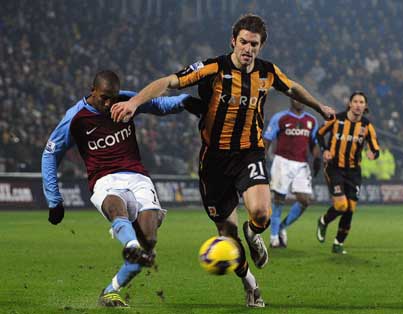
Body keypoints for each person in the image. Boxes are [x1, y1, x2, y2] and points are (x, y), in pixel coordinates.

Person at [110, 14, 335, 307]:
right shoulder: (213, 67)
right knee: (227, 239)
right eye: (243, 42)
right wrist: (134, 102)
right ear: (233, 41)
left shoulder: (267, 72)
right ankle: (251, 284)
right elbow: (168, 81)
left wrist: (319, 106)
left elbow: (292, 87)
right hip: (213, 161)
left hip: (249, 153)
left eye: (254, 44)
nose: (248, 48)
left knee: (261, 214)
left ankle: (254, 234)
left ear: (260, 46)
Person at [41, 70, 199, 307]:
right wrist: (54, 200)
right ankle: (130, 245)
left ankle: (110, 291)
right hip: (104, 179)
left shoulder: (124, 100)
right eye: (104, 97)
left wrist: (185, 102)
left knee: (149, 241)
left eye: (112, 97)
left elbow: (157, 104)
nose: (109, 103)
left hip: (138, 177)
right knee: (117, 208)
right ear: (92, 90)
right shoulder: (76, 117)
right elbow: (50, 154)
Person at [316, 91, 380, 254]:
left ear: (365, 106)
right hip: (334, 167)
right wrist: (324, 150)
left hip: (353, 172)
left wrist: (373, 154)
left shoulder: (367, 126)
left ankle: (338, 243)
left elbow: (375, 147)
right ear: (350, 104)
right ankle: (323, 220)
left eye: (362, 102)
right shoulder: (336, 119)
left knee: (350, 208)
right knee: (341, 205)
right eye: (356, 101)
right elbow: (319, 134)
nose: (358, 105)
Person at [263, 99, 321, 248]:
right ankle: (274, 236)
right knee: (279, 199)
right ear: (290, 99)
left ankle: (282, 227)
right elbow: (268, 139)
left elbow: (314, 142)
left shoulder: (311, 120)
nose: (298, 101)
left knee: (305, 200)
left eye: (301, 98)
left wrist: (317, 159)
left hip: (301, 164)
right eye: (295, 98)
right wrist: (261, 159)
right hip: (282, 161)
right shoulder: (280, 117)